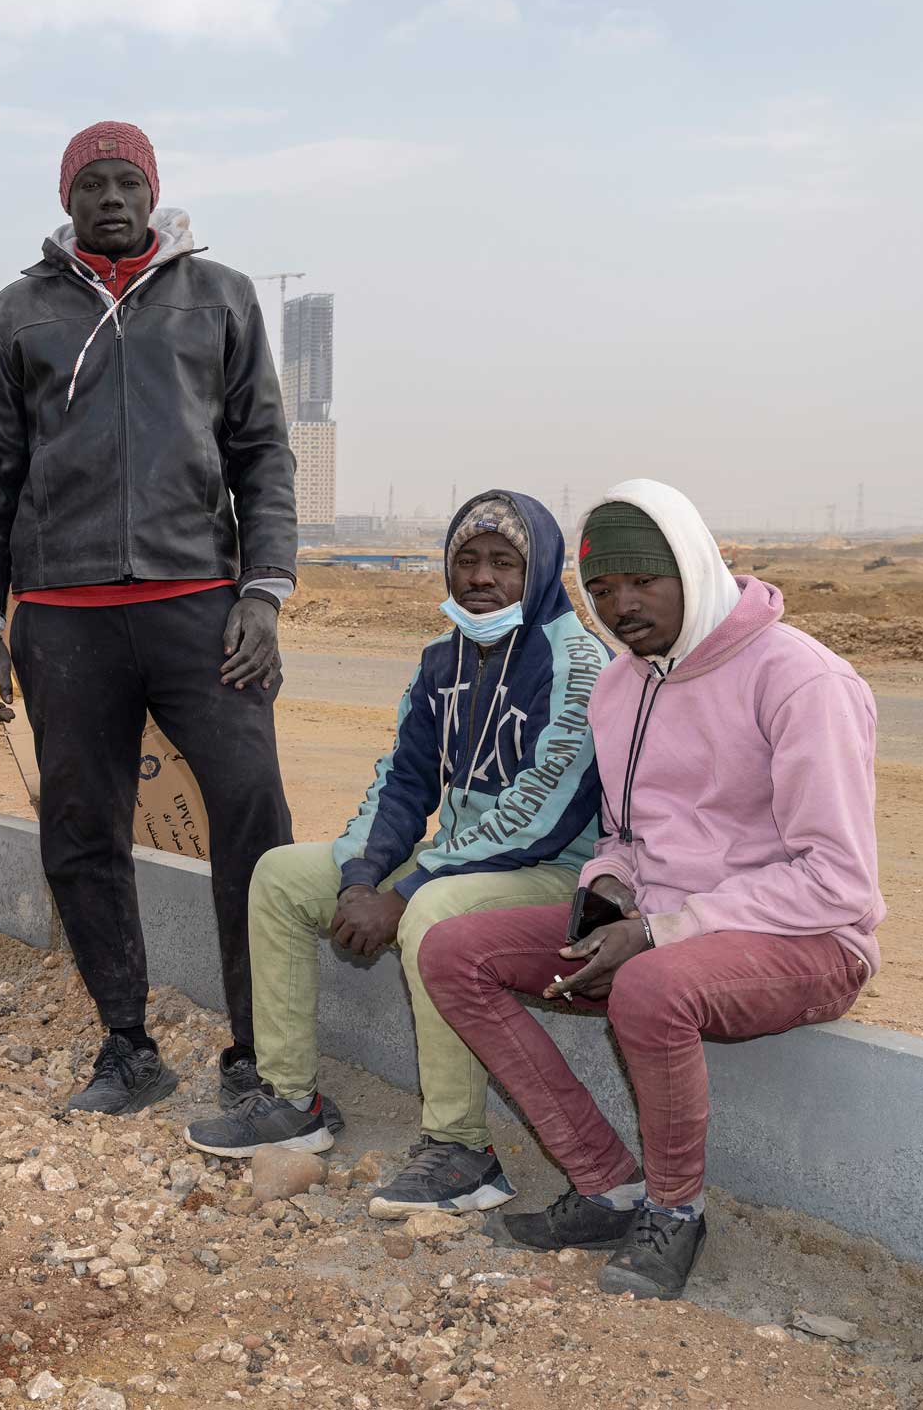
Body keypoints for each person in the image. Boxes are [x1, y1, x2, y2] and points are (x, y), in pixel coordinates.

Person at [419, 480, 885, 1300]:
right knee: (456, 950)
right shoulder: (624, 684)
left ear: (696, 568)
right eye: (601, 589)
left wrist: (664, 930)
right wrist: (607, 896)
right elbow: (625, 836)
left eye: (643, 581)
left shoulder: (801, 680)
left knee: (650, 982)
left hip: (809, 941)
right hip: (669, 927)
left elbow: (837, 881)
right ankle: (606, 1185)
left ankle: (674, 1212)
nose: (621, 605)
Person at [0, 120, 298, 1116]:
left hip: (200, 608)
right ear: (66, 199)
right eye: (91, 184)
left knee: (252, 814)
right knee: (78, 826)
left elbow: (262, 457)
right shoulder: (12, 314)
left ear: (153, 194)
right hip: (62, 619)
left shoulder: (219, 297)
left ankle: (256, 1048)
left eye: (127, 182)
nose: (110, 198)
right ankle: (126, 1041)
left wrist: (264, 592)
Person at [185, 493, 607, 1202]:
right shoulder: (443, 658)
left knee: (433, 912)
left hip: (554, 872)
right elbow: (405, 781)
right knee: (283, 876)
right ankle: (292, 1105)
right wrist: (362, 874)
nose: (481, 578)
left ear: (538, 573)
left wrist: (404, 892)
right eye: (466, 560)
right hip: (461, 861)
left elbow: (544, 810)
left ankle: (462, 1152)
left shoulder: (577, 662)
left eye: (504, 563)